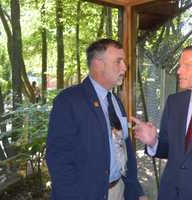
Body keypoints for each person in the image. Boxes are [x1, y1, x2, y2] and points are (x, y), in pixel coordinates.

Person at [46, 39, 147, 200]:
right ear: (98, 64)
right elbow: (58, 159)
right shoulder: (68, 101)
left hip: (119, 190)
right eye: (118, 61)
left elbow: (124, 148)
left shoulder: (115, 100)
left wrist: (136, 190)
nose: (124, 67)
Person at [131, 46, 192, 200]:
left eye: (187, 66)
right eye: (180, 65)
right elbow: (167, 149)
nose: (179, 71)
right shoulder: (174, 102)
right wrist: (153, 142)